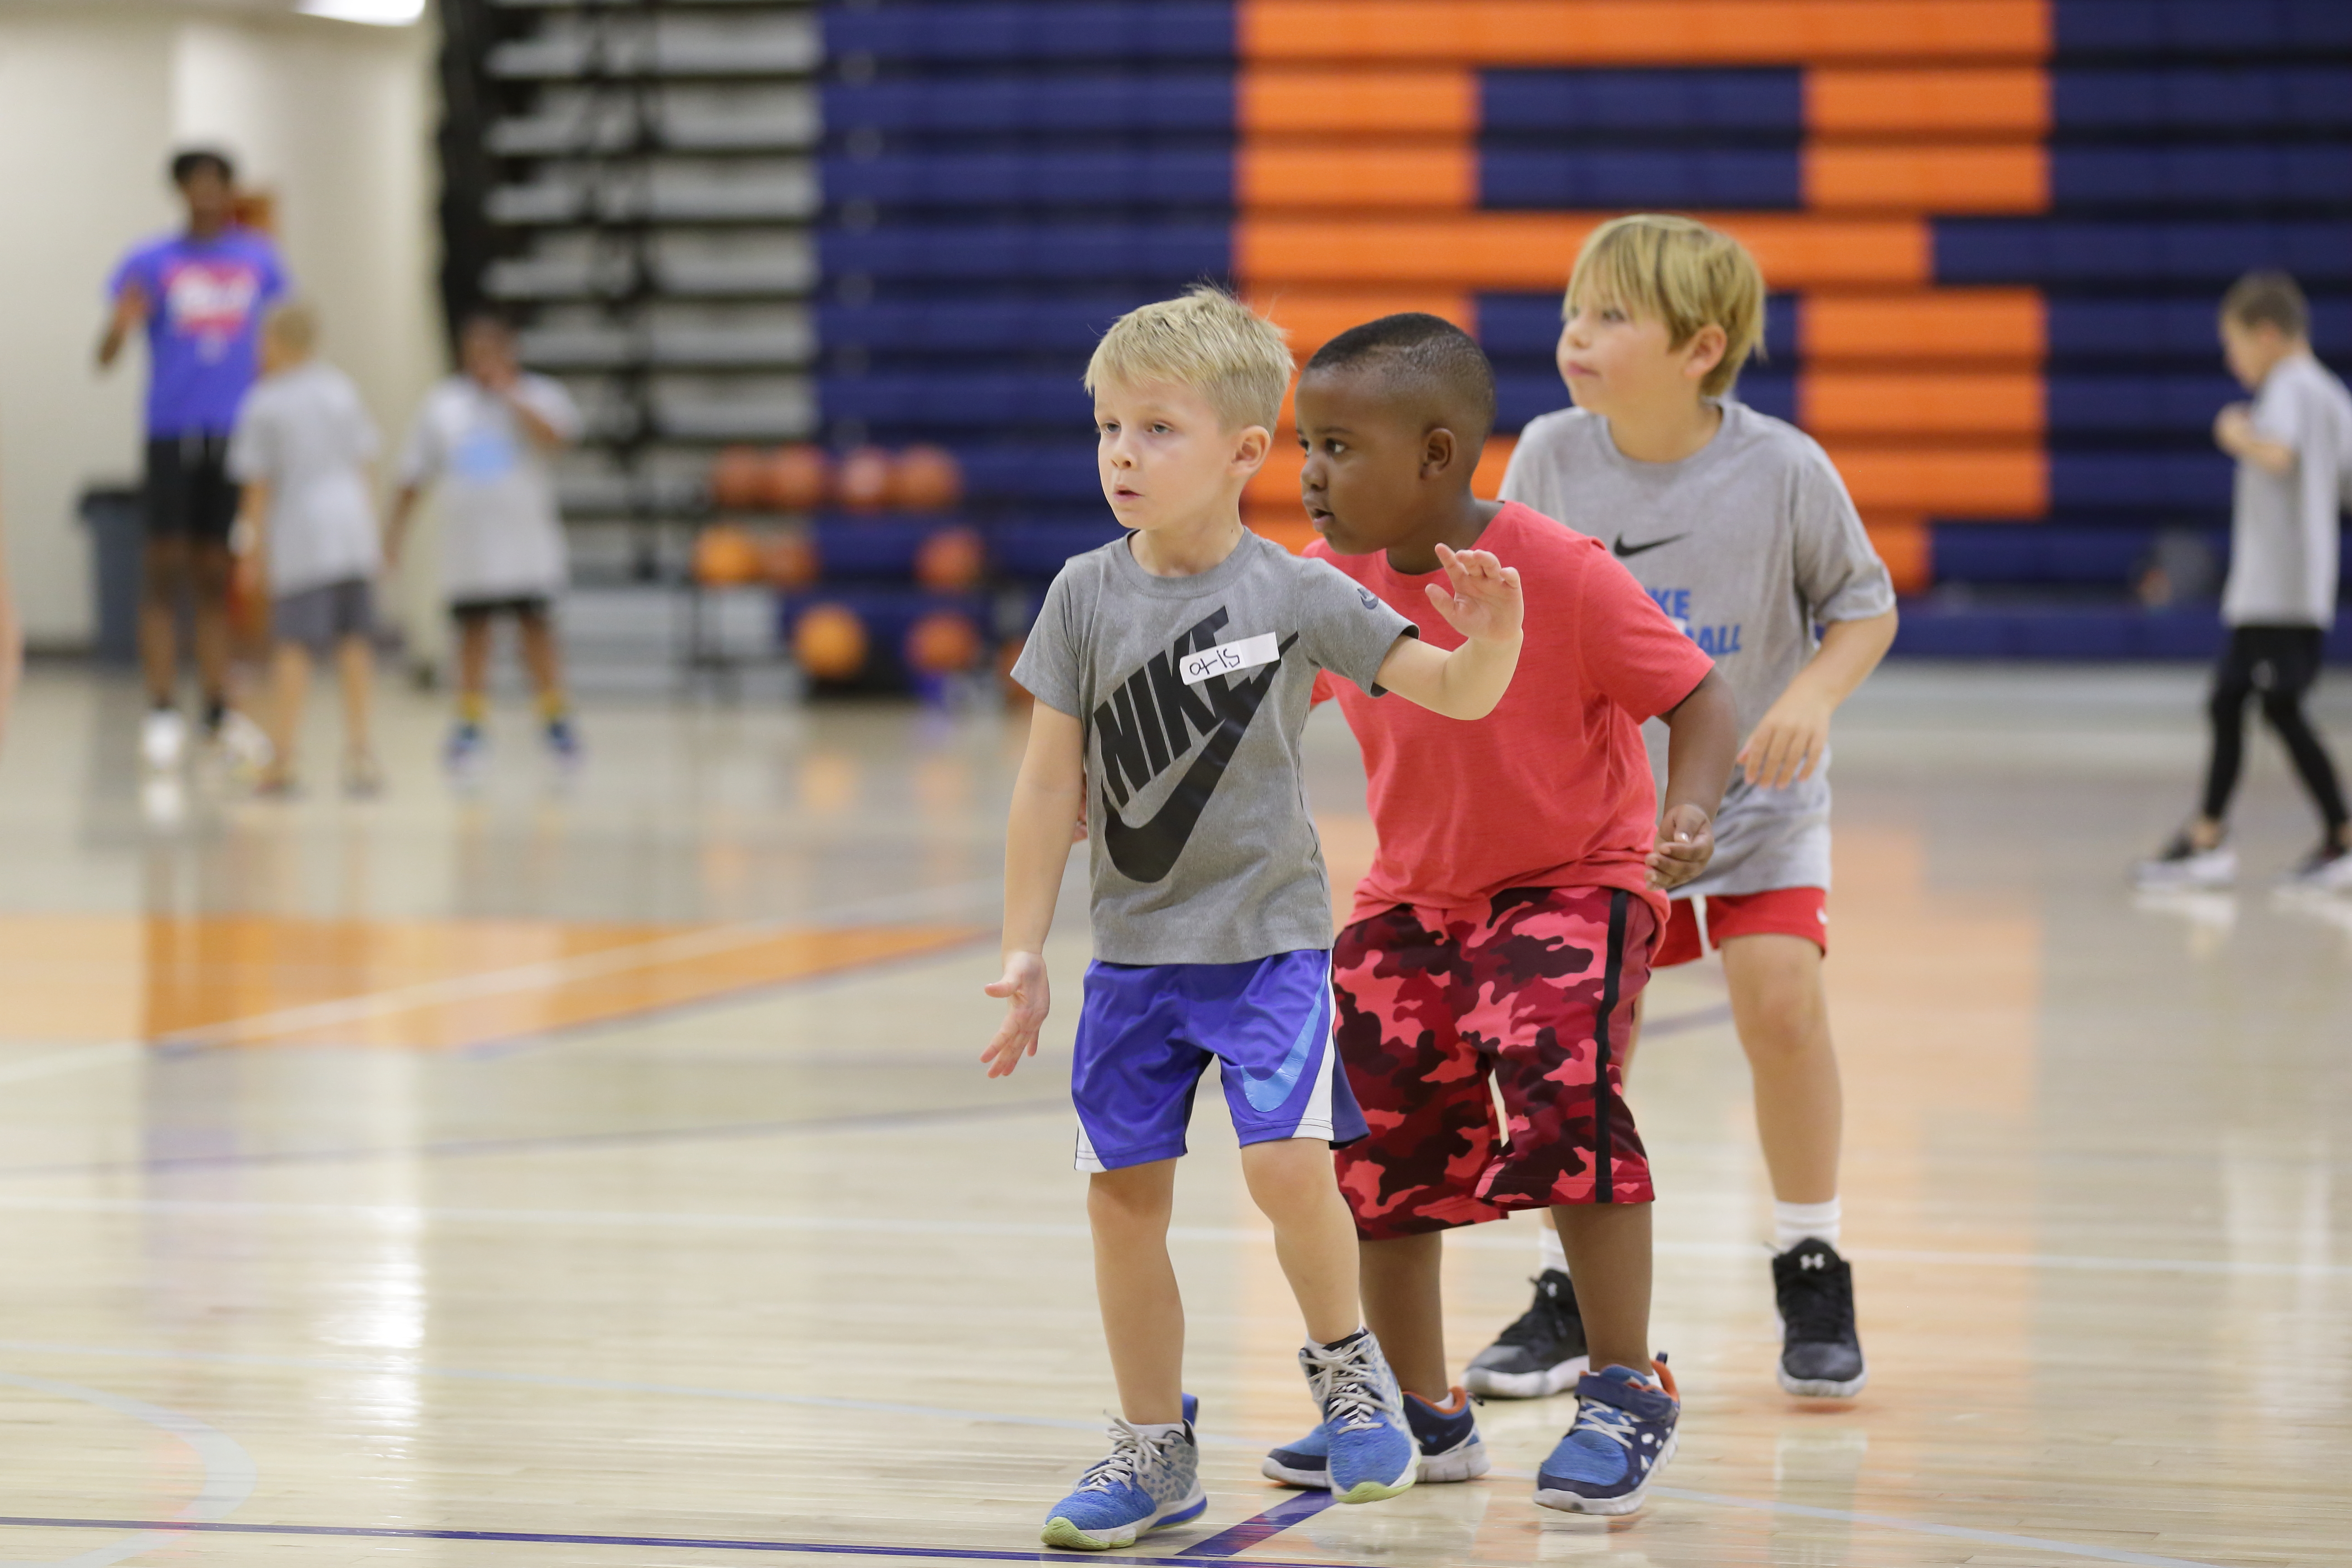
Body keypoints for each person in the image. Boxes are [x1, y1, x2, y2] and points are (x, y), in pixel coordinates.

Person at [983, 286, 1527, 1551]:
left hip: (1270, 945)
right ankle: (1150, 1447)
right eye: (1109, 427)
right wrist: (1022, 947)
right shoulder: (1079, 595)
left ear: (1242, 452)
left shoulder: (1295, 590)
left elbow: (1448, 688)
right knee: (1122, 1203)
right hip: (1134, 961)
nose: (1123, 452)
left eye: (1157, 429)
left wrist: (1491, 641)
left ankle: (1350, 1371)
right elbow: (1043, 783)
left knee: (1288, 1164)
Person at [1269, 313, 1739, 1516]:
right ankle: (1422, 1408)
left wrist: (1687, 813)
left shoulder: (1562, 572)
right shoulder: (1322, 588)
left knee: (1555, 1082)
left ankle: (1628, 1383)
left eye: (1337, 447)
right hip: (1411, 902)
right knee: (1376, 1148)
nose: (1311, 475)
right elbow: (1235, 699)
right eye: (1304, 446)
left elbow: (1698, 696)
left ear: (1436, 455)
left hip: (1575, 882)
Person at [1483, 214, 1899, 1405]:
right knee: (1579, 1051)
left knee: (1780, 1004)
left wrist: (1814, 694)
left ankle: (1810, 1253)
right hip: (1605, 823)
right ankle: (1577, 1294)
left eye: (1613, 316)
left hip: (1759, 809)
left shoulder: (1782, 469)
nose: (1578, 334)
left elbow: (1863, 610)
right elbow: (1514, 621)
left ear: (1702, 346)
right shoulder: (1549, 458)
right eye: (1575, 310)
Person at [2137, 270, 2352, 892]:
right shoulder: (2333, 395)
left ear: (2265, 335)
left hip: (2274, 590)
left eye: (2234, 347)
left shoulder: (2286, 385)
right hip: (2301, 586)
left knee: (2258, 703)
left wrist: (2236, 433)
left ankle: (2232, 839)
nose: (2234, 364)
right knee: (2247, 701)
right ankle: (2215, 833)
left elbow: (2279, 453)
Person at [98, 147, 288, 771]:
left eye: (217, 186)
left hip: (234, 434)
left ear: (230, 192)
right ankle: (159, 707)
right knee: (164, 565)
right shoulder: (148, 262)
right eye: (195, 186)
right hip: (170, 429)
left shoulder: (259, 261)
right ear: (180, 192)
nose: (206, 197)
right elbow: (104, 356)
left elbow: (282, 342)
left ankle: (215, 705)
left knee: (216, 571)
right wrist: (120, 326)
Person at [387, 310, 583, 777]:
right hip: (470, 550)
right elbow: (413, 475)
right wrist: (394, 535)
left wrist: (510, 395)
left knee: (535, 631)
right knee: (473, 636)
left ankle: (555, 721)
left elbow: (560, 438)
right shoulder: (443, 406)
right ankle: (471, 726)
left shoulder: (539, 395)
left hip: (526, 547)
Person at [227, 302, 383, 795]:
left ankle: (284, 758)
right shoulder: (342, 390)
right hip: (353, 530)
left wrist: (250, 551)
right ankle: (360, 755)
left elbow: (258, 485)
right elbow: (364, 463)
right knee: (354, 641)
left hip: (303, 535)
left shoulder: (266, 402)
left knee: (292, 645)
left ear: (275, 341)